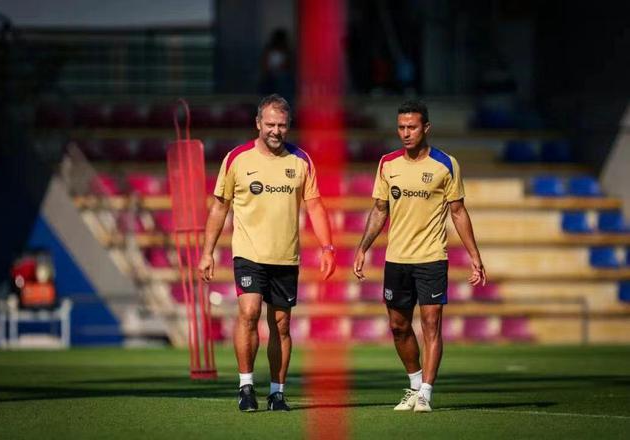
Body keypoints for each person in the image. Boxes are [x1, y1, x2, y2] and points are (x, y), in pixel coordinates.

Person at [198, 94, 336, 412]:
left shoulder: (301, 160)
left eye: (282, 125)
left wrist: (327, 248)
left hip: (285, 256)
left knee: (282, 325)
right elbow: (219, 207)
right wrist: (207, 252)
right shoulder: (237, 159)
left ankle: (277, 393)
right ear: (258, 123)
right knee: (248, 313)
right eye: (270, 124)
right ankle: (246, 386)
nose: (276, 131)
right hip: (248, 253)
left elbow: (315, 206)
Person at [353, 100, 486, 412]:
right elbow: (379, 209)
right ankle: (414, 385)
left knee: (431, 324)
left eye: (411, 127)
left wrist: (474, 256)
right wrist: (363, 247)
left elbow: (458, 212)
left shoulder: (446, 164)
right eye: (401, 127)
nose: (405, 133)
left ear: (426, 128)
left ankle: (426, 392)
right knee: (398, 326)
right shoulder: (387, 164)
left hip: (431, 258)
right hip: (396, 259)